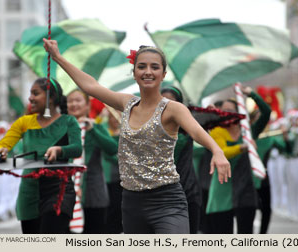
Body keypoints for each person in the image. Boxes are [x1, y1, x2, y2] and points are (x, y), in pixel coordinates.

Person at [43, 39, 230, 234]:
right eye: (141, 66)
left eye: (154, 67)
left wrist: (217, 151)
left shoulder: (173, 109)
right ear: (134, 73)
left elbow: (196, 131)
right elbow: (90, 86)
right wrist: (57, 57)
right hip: (132, 204)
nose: (148, 71)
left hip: (167, 201)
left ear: (163, 74)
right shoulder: (127, 103)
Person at [0, 78, 82, 234]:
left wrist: (59, 150)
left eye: (36, 93)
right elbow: (1, 146)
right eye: (30, 93)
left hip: (58, 190)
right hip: (29, 192)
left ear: (51, 98)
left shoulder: (69, 122)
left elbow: (77, 149)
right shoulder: (24, 122)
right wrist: (0, 152)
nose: (30, 98)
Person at [206, 85, 271, 234]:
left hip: (246, 191)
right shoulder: (217, 131)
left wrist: (251, 94)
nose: (227, 114)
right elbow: (223, 152)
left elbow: (266, 112)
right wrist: (243, 147)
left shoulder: (249, 132)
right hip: (222, 189)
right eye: (225, 111)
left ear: (239, 113)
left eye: (231, 111)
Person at [67, 89, 118, 234]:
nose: (74, 104)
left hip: (93, 192)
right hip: (69, 190)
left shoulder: (96, 127)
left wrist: (92, 130)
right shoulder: (62, 128)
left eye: (78, 100)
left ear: (87, 105)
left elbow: (112, 148)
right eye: (70, 101)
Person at [161, 86, 202, 234]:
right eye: (163, 101)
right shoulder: (151, 131)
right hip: (162, 197)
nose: (168, 106)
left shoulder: (189, 128)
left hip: (189, 194)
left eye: (172, 102)